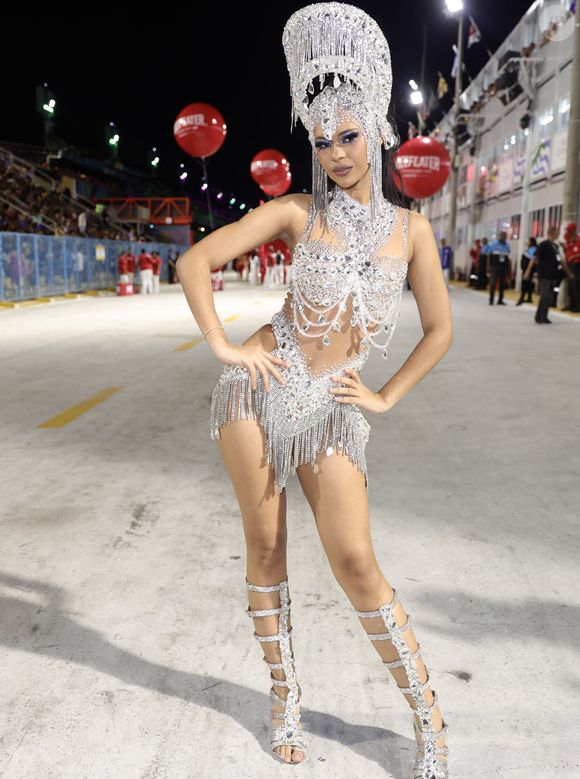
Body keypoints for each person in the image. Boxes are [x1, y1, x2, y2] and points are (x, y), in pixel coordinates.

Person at [175, 4, 452, 775]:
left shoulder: (413, 232)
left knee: (356, 559)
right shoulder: (298, 212)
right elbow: (193, 263)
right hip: (258, 388)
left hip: (333, 403)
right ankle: (284, 697)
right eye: (322, 138)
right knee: (265, 544)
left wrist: (387, 397)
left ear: (377, 125)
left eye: (348, 134)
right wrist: (227, 347)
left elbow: (439, 330)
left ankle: (429, 719)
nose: (334, 152)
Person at [523, 225, 560, 323]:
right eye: (556, 232)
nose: (558, 234)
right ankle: (540, 317)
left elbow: (559, 260)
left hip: (553, 275)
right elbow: (534, 258)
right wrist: (528, 271)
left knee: (550, 296)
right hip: (544, 275)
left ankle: (543, 315)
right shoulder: (543, 245)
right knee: (545, 296)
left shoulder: (556, 246)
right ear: (551, 232)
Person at [487, 231, 511, 305]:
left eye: (505, 236)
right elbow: (489, 256)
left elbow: (507, 257)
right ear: (500, 236)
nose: (504, 237)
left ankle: (500, 300)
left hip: (503, 267)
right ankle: (491, 299)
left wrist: (508, 268)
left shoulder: (507, 245)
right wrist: (488, 266)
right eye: (502, 236)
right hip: (494, 266)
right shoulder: (494, 244)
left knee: (502, 284)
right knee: (493, 283)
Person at [562, 223, 580, 312]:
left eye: (569, 230)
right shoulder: (569, 240)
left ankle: (577, 306)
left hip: (576, 265)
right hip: (569, 264)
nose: (567, 232)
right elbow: (567, 251)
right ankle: (570, 304)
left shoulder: (578, 240)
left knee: (575, 286)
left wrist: (574, 257)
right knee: (569, 286)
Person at [516, 237, 537, 305]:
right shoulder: (529, 249)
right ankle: (529, 297)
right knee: (528, 283)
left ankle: (522, 298)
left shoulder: (533, 249)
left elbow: (532, 261)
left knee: (525, 283)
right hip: (526, 269)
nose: (527, 242)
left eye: (528, 241)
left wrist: (528, 270)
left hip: (528, 269)